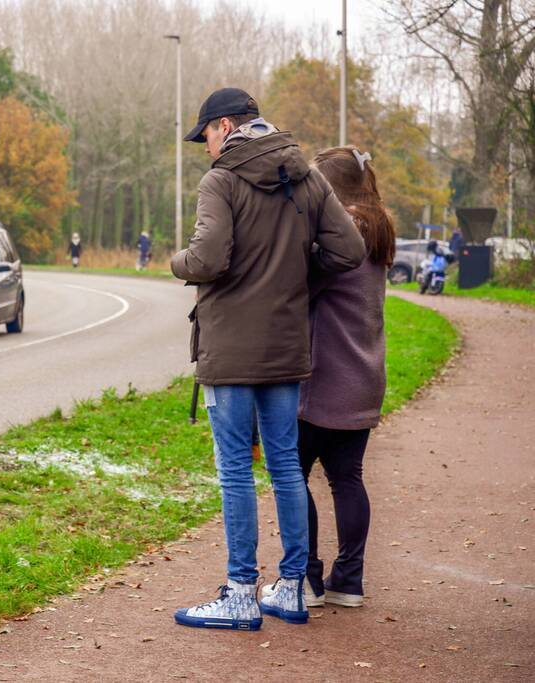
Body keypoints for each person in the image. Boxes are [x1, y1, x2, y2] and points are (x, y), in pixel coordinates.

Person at [170, 87, 366, 631]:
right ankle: (292, 588)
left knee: (235, 467)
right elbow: (349, 251)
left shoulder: (221, 181)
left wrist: (176, 261)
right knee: (283, 465)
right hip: (286, 345)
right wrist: (296, 271)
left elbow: (207, 259)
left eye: (207, 136)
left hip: (231, 348)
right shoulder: (307, 176)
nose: (207, 147)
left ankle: (239, 594)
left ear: (226, 126)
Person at [275, 146, 395, 610]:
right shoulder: (378, 227)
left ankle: (305, 578)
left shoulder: (342, 231)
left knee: (293, 473)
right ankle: (349, 579)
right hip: (364, 374)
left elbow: (299, 286)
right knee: (347, 478)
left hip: (324, 376)